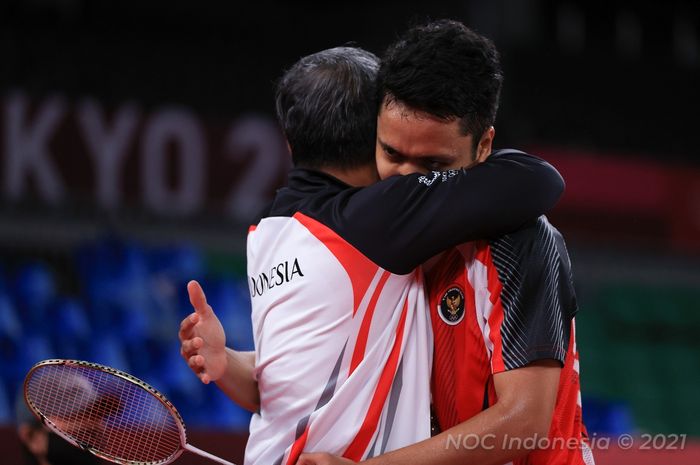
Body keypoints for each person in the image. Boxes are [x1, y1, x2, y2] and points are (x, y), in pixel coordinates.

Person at [179, 46, 563, 465]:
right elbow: (540, 181)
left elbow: (294, 380)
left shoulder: (265, 231)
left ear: (289, 143)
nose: (408, 171)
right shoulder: (378, 219)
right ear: (373, 137)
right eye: (393, 151)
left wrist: (229, 361)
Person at [297, 20, 593, 465]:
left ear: (483, 147)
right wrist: (233, 360)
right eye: (392, 154)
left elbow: (525, 420)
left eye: (434, 164)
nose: (407, 182)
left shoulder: (521, 242)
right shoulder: (380, 240)